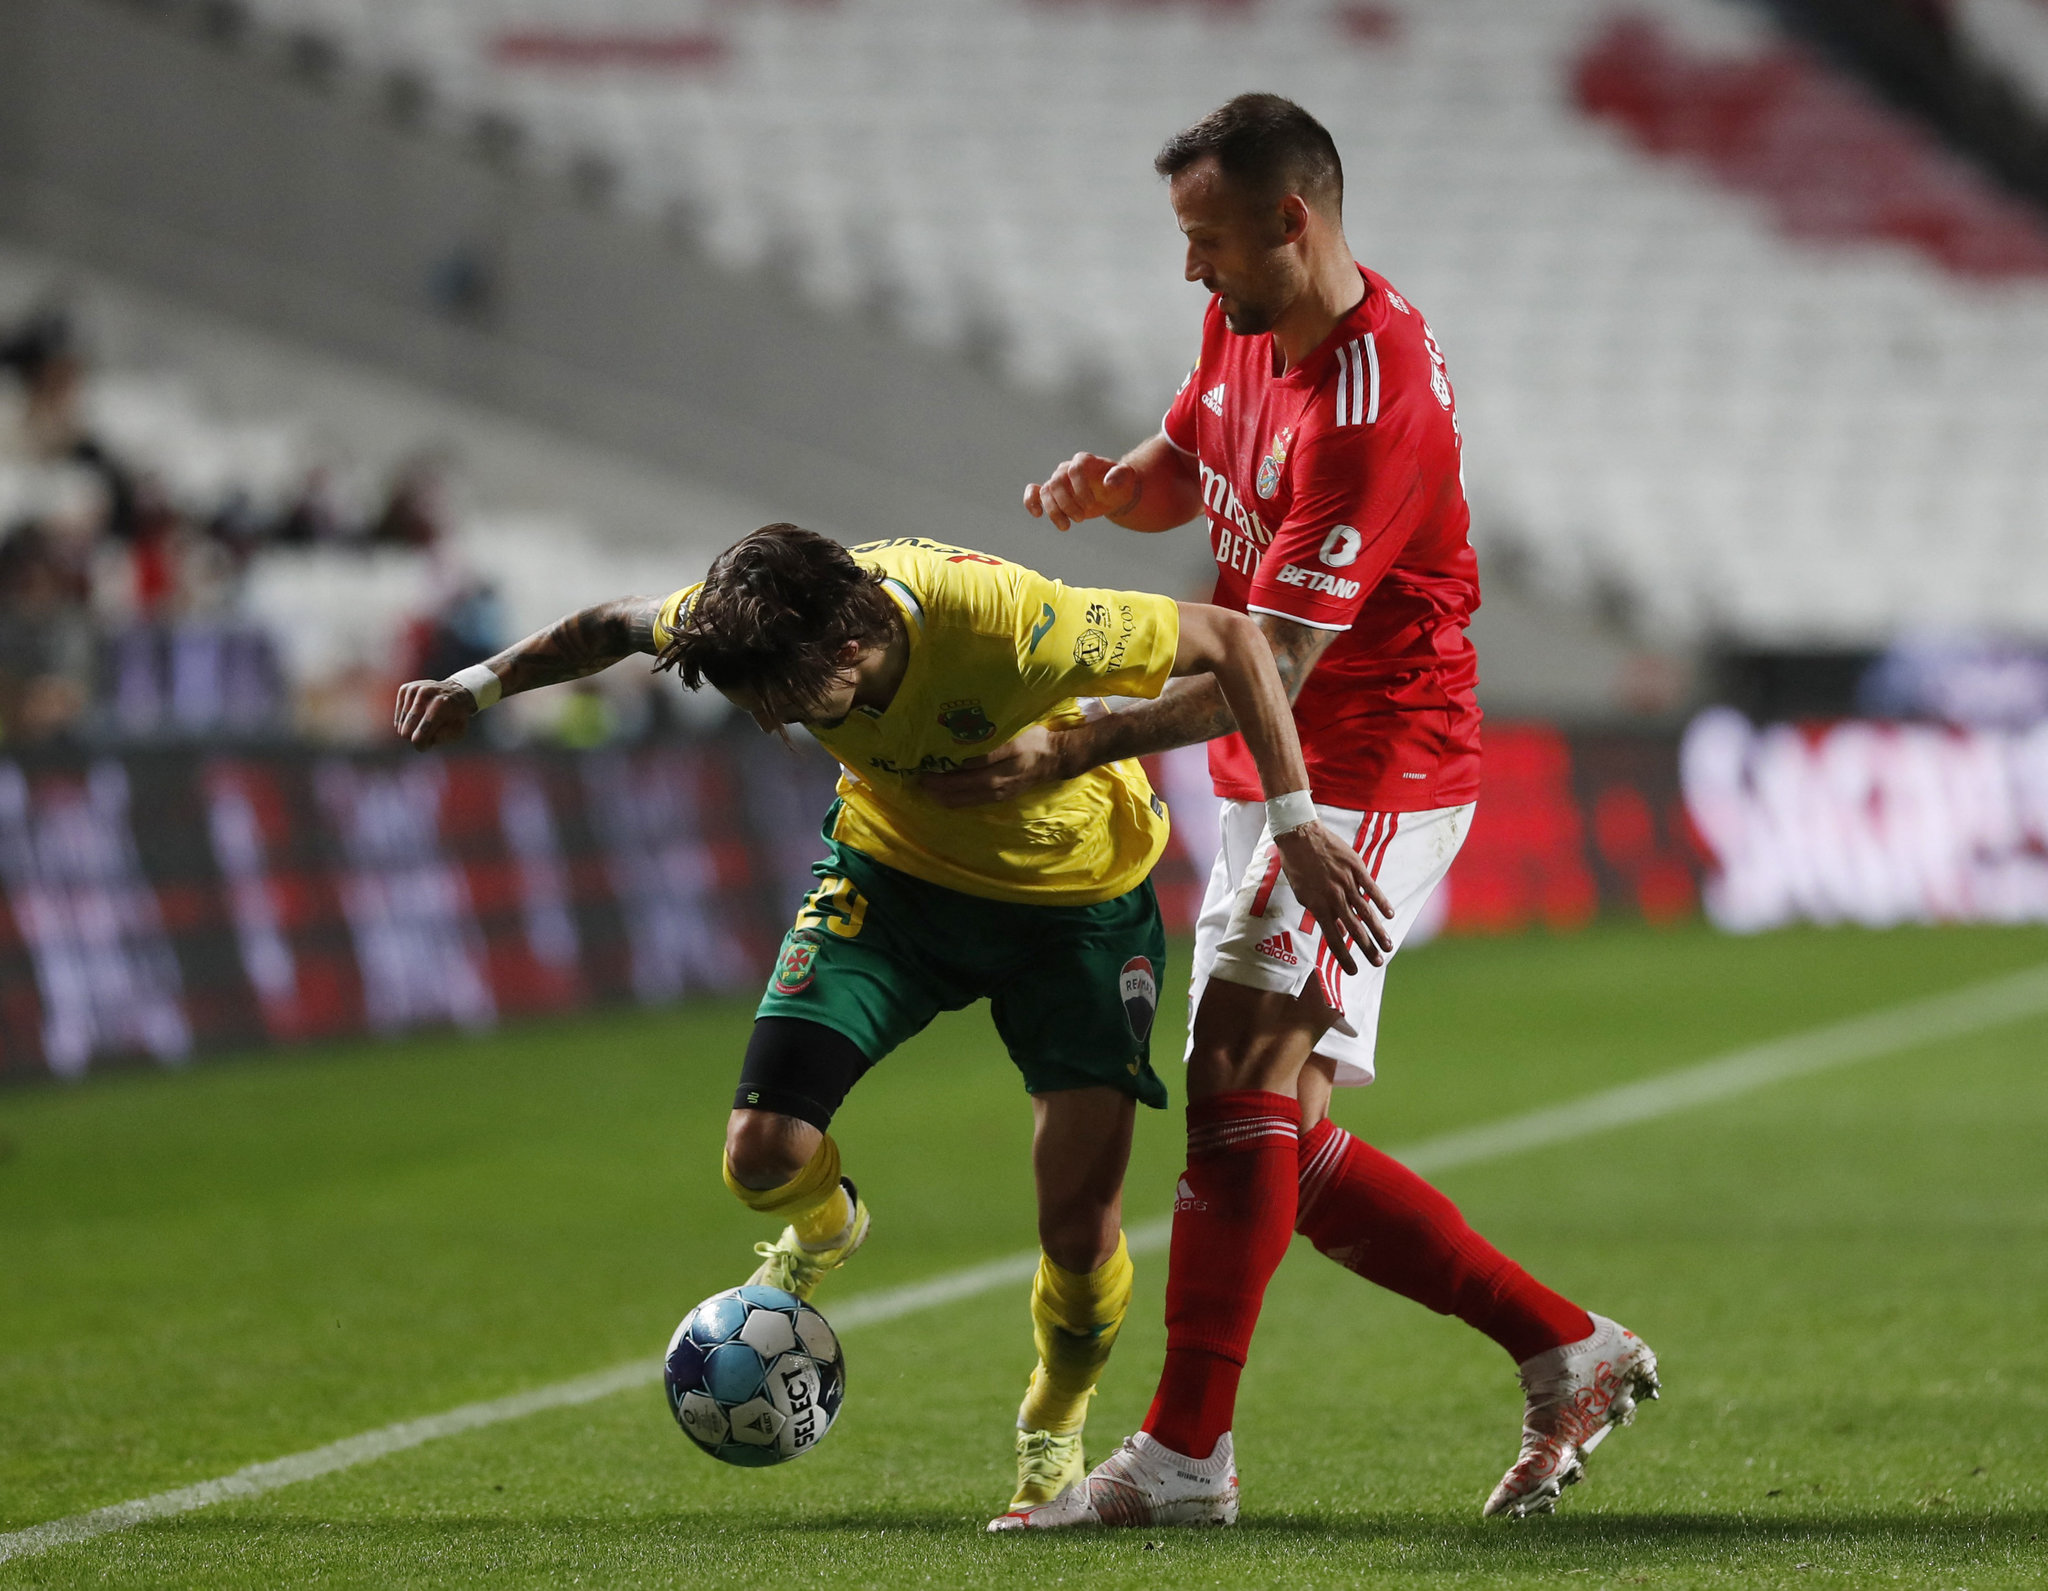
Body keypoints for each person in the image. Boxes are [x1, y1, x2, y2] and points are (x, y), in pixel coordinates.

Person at [927, 95, 1660, 1528]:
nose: (1190, 274)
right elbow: (1187, 460)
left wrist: (1075, 745)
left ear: (1292, 220)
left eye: (1207, 242)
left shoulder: (1369, 409)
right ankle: (1567, 1345)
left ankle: (1184, 1456)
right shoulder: (1250, 323)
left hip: (1370, 767)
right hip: (1275, 772)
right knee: (1277, 1144)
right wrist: (1107, 488)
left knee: (1231, 1092)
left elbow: (1269, 659)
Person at [392, 523, 1384, 1515]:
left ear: (850, 651)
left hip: (1072, 910)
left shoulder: (1013, 628)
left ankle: (1053, 1419)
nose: (767, 720)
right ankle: (828, 1224)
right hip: (894, 886)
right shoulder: (748, 625)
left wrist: (1281, 820)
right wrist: (476, 685)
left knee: (1078, 1231)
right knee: (761, 1152)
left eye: (780, 701)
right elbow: (610, 624)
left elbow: (1238, 642)